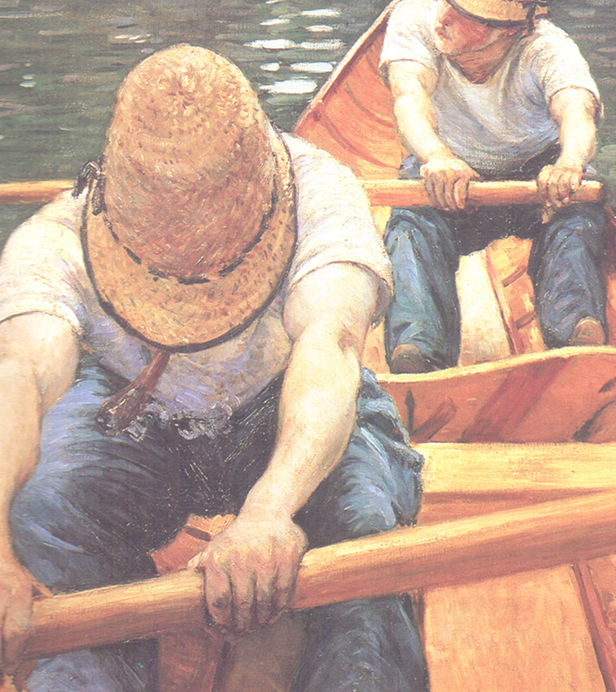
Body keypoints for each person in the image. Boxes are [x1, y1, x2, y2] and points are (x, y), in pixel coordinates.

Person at [0, 45, 428, 691]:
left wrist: (268, 511)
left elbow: (332, 342)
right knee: (42, 517)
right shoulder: (53, 238)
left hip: (287, 404)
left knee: (363, 532)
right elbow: (18, 377)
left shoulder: (322, 187)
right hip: (138, 418)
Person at [380, 0, 608, 374]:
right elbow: (409, 97)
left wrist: (568, 164)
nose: (441, 18)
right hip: (448, 170)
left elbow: (578, 112)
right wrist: (437, 156)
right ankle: (417, 353)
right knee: (411, 225)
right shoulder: (415, 18)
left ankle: (578, 340)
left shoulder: (548, 48)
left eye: (465, 15)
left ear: (508, 29)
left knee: (576, 219)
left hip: (536, 176)